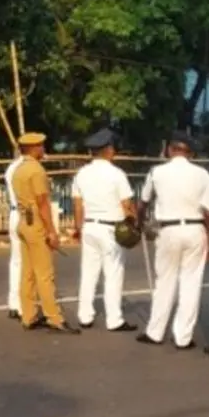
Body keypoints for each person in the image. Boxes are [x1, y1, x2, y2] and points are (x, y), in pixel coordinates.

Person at [137, 132, 209, 348]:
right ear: (190, 153)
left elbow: (143, 202)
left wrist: (141, 222)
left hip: (168, 230)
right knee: (191, 284)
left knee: (165, 281)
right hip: (195, 228)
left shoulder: (157, 171)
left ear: (170, 150)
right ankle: (183, 337)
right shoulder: (203, 174)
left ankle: (155, 332)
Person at [71, 128, 137, 332]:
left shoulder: (81, 174)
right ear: (108, 150)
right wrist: (134, 222)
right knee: (113, 273)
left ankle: (85, 315)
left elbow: (78, 205)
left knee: (89, 273)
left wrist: (78, 227)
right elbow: (126, 204)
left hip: (89, 226)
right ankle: (114, 319)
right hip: (111, 228)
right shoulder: (116, 174)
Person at [13, 131, 78, 334]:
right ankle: (54, 317)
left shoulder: (19, 170)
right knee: (45, 274)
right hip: (36, 223)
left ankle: (29, 314)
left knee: (28, 272)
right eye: (40, 146)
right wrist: (51, 231)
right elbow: (42, 203)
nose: (43, 149)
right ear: (33, 149)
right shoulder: (36, 171)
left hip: (24, 221)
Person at [4, 148, 27, 321]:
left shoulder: (11, 168)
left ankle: (14, 302)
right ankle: (23, 304)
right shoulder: (27, 168)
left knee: (16, 261)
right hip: (26, 214)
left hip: (13, 213)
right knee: (28, 261)